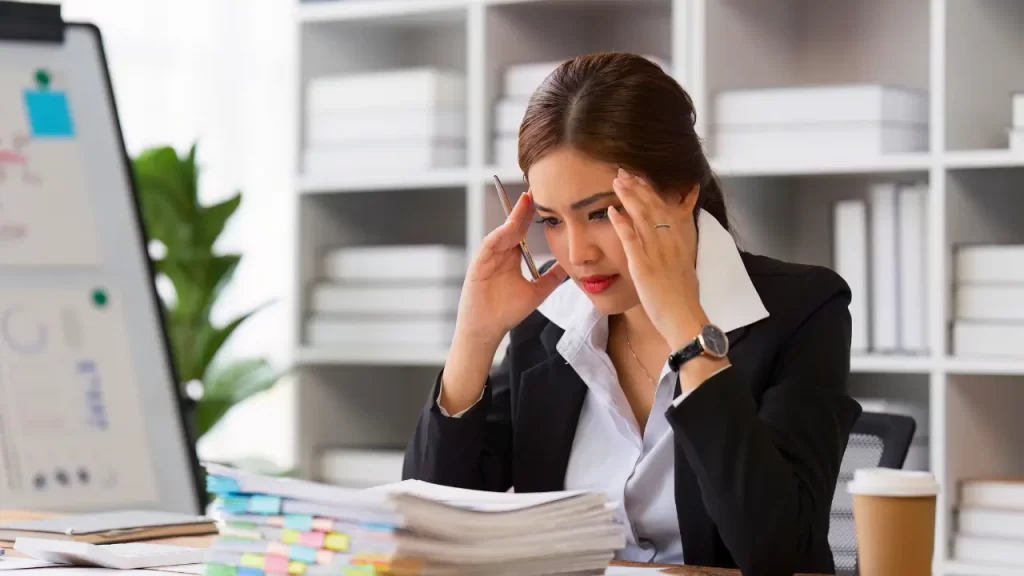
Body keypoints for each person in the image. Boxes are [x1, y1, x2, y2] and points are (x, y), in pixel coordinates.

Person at [403, 51, 862, 576]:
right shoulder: (550, 324)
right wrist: (474, 340)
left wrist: (689, 330)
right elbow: (426, 532)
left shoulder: (803, 311)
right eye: (551, 221)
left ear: (683, 191)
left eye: (600, 213)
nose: (577, 254)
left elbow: (780, 552)